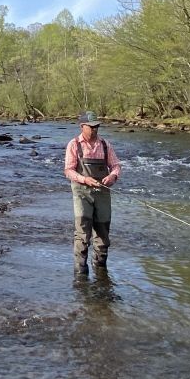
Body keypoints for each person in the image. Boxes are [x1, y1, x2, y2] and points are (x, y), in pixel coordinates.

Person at [64, 111, 121, 274]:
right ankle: (80, 271)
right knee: (83, 232)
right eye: (91, 126)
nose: (95, 129)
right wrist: (85, 179)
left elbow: (116, 165)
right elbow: (68, 170)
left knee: (103, 232)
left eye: (97, 126)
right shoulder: (74, 144)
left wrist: (112, 176)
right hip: (82, 192)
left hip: (102, 192)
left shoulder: (105, 145)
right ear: (82, 126)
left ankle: (101, 268)